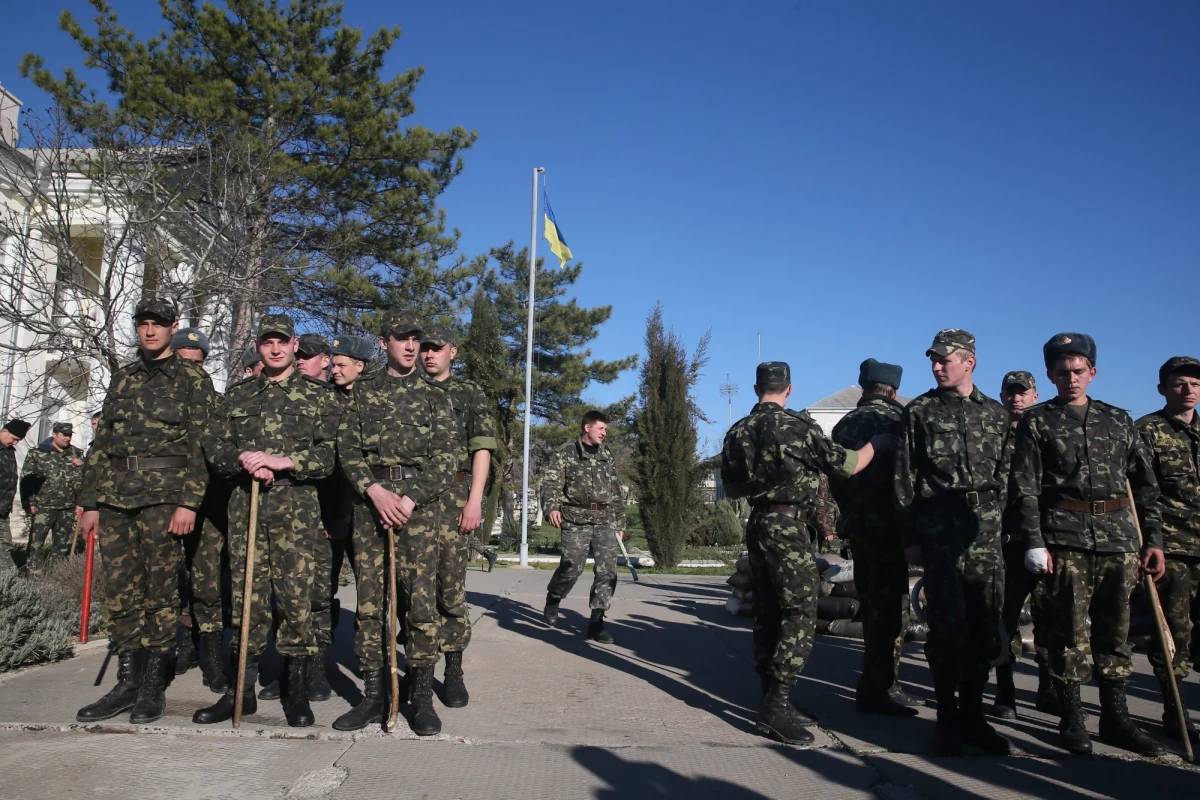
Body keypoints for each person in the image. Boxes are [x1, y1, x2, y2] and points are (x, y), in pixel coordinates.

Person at [721, 361, 894, 745]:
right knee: (800, 611)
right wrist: (876, 446)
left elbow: (732, 489)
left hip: (759, 524)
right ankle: (777, 705)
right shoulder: (797, 428)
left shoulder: (738, 431)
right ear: (789, 389)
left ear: (756, 389)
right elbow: (846, 465)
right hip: (788, 527)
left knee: (767, 609)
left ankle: (771, 697)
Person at [1013, 333, 1166, 757]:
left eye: (1078, 371)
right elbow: (1025, 487)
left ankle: (1116, 718)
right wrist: (1034, 541)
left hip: (1119, 539)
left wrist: (1152, 541)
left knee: (1117, 632)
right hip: (1065, 539)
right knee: (1069, 633)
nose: (1071, 379)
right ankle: (1073, 719)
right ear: (1050, 375)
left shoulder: (1118, 421)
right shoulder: (1038, 421)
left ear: (1093, 373)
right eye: (1062, 372)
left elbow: (1145, 487)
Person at [75, 298, 217, 725]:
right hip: (117, 498)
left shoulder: (193, 378)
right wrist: (90, 501)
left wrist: (189, 502)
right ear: (136, 329)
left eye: (158, 324)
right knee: (121, 593)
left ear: (174, 327)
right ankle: (127, 680)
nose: (150, 331)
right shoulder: (123, 379)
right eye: (143, 324)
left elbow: (202, 446)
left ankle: (153, 683)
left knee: (160, 593)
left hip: (165, 500)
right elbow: (104, 444)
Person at [194, 314, 339, 728]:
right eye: (266, 342)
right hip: (247, 507)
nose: (274, 349)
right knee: (245, 597)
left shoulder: (319, 396)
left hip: (296, 510)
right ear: (257, 346)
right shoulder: (237, 396)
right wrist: (239, 459)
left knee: (296, 599)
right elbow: (214, 445)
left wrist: (284, 461)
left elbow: (330, 456)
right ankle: (242, 690)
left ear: (295, 345)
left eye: (282, 342)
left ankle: (296, 691)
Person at [334, 310, 457, 735]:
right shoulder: (362, 392)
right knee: (371, 605)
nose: (411, 346)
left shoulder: (436, 396)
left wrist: (409, 498)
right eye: (402, 338)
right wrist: (374, 491)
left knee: (421, 606)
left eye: (416, 340)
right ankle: (373, 695)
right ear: (384, 341)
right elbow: (347, 449)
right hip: (372, 509)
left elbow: (446, 459)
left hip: (418, 513)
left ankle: (420, 697)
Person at [894, 329, 1012, 756]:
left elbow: (1007, 476)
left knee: (983, 625)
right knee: (945, 628)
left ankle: (973, 717)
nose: (937, 366)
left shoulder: (996, 415)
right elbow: (904, 480)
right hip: (939, 530)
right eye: (934, 359)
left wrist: (1005, 529)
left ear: (970, 362)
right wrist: (910, 540)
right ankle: (946, 718)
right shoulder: (920, 412)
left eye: (946, 359)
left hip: (984, 531)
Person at [830, 358, 918, 716]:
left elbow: (836, 476)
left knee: (872, 606)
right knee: (893, 611)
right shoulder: (899, 423)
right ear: (894, 391)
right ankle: (880, 687)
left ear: (863, 389)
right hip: (894, 530)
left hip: (862, 528)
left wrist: (852, 508)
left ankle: (880, 685)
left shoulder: (843, 425)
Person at [420, 322, 500, 707]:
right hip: (412, 502)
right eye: (424, 348)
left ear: (453, 351)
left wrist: (475, 500)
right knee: (413, 592)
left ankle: (453, 670)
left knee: (450, 589)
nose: (429, 354)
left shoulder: (470, 393)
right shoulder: (408, 390)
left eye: (437, 347)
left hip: (453, 498)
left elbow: (481, 449)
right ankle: (420, 670)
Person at [1135, 356, 1200, 746]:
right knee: (1173, 635)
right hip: (1173, 550)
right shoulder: (1148, 431)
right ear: (1163, 389)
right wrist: (1151, 542)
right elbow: (1144, 495)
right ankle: (1175, 712)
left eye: (1194, 383)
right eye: (1179, 384)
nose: (1188, 389)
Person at [991, 370, 1057, 720]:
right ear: (1002, 395)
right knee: (1006, 619)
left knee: (1049, 618)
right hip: (1005, 539)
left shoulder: (1048, 430)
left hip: (1046, 537)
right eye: (1010, 392)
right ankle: (1006, 692)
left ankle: (1048, 689)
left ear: (1035, 395)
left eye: (1023, 392)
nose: (1016, 398)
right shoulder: (992, 434)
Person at [167, 326, 229, 692]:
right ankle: (182, 645)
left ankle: (211, 656)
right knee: (169, 581)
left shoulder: (216, 402)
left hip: (205, 507)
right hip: (160, 502)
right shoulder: (155, 400)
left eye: (198, 362)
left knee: (206, 582)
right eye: (184, 361)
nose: (191, 368)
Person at [542, 411, 626, 644]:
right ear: (587, 427)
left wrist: (620, 521)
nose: (604, 433)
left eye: (606, 429)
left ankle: (596, 623)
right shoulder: (566, 453)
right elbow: (550, 483)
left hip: (604, 520)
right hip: (575, 518)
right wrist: (551, 508)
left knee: (607, 571)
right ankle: (554, 597)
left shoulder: (606, 454)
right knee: (571, 567)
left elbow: (615, 489)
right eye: (601, 428)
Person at [19, 422, 83, 570]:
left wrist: (80, 501)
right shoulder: (38, 453)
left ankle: (55, 577)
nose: (67, 438)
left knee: (61, 545)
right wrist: (29, 502)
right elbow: (26, 480)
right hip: (43, 506)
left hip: (67, 507)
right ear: (54, 434)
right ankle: (33, 577)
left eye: (69, 435)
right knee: (36, 544)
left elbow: (82, 480)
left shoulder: (76, 454)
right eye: (64, 435)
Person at [0, 419, 31, 571]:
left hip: (3, 510)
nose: (15, 443)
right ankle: (11, 582)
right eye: (14, 439)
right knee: (4, 547)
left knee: (5, 545)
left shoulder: (8, 451)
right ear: (4, 432)